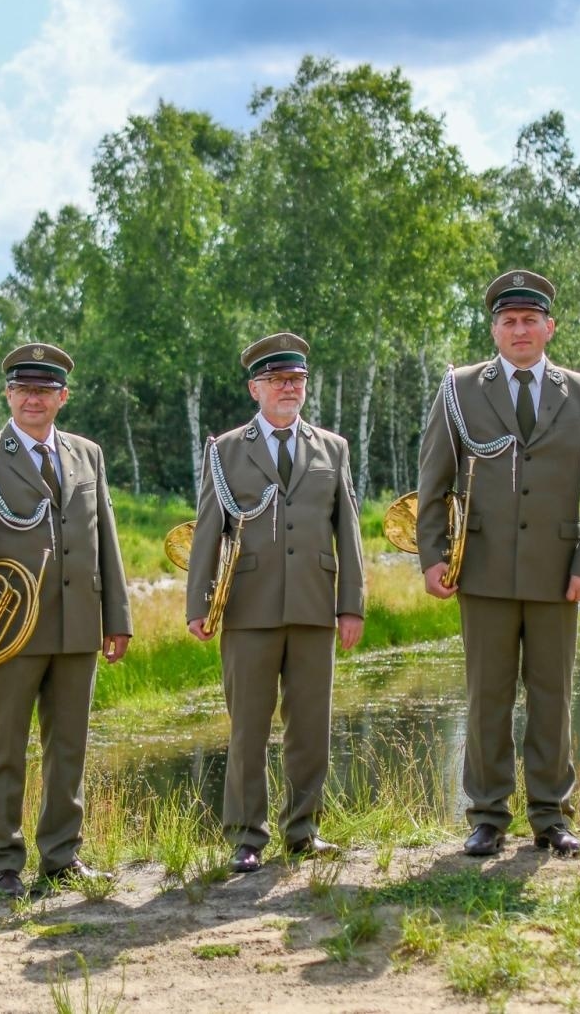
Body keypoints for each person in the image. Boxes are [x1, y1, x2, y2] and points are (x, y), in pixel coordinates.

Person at [416, 270, 580, 859]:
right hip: (481, 569)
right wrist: (433, 556)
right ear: (494, 330)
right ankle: (487, 815)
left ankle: (552, 816)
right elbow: (434, 479)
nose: (520, 330)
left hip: (559, 572)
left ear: (549, 327)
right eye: (509, 321)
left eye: (530, 320)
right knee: (487, 697)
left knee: (553, 696)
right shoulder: (459, 388)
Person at [0, 343, 132, 898]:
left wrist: (117, 618)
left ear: (62, 398)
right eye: (23, 389)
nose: (32, 399)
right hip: (8, 631)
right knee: (3, 748)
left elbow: (105, 542)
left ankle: (62, 856)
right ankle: (1, 862)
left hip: (77, 627)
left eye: (44, 391)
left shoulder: (87, 455)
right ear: (8, 395)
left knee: (69, 746)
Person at [186, 333, 366, 873]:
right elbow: (207, 531)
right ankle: (246, 835)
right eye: (277, 380)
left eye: (297, 380)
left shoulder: (332, 448)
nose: (289, 388)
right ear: (254, 389)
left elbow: (348, 528)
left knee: (310, 726)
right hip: (248, 606)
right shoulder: (224, 451)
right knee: (248, 728)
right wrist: (199, 603)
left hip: (314, 604)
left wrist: (351, 603)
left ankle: (303, 831)